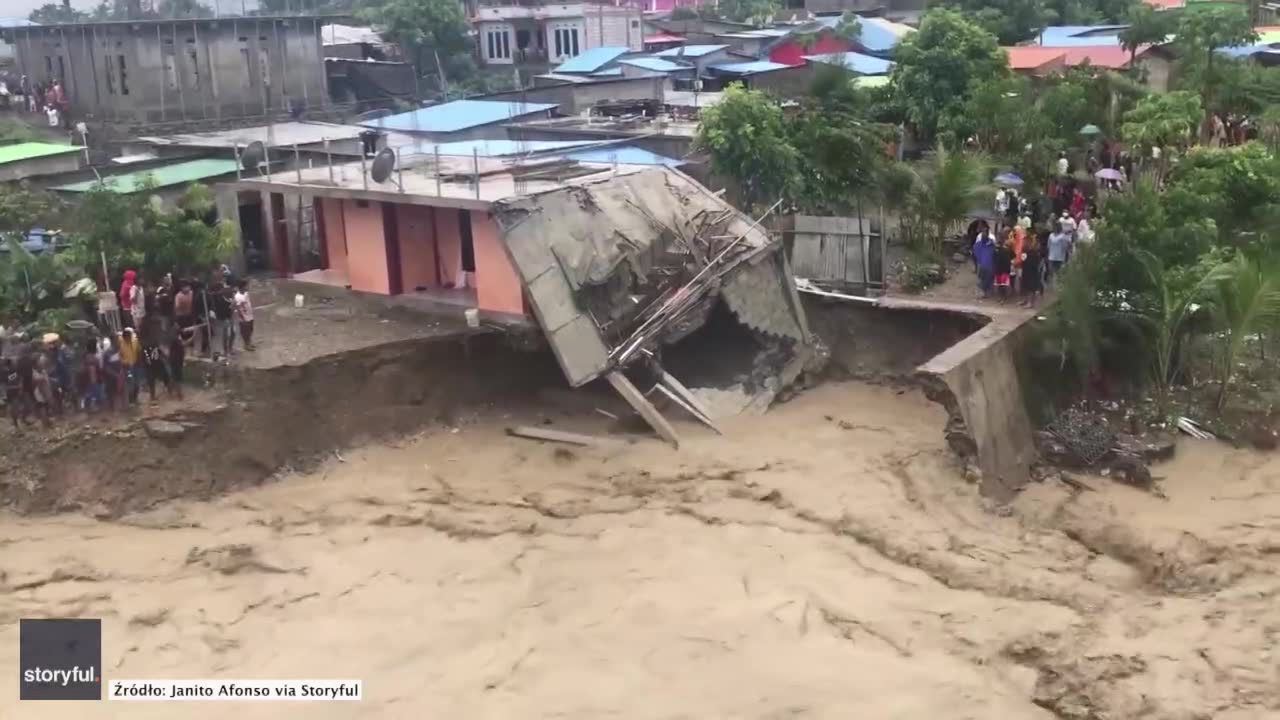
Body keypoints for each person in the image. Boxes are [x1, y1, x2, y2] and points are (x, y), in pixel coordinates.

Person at [142, 337, 170, 403]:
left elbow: (162, 354)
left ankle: (168, 392)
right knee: (152, 382)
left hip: (157, 366)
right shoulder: (146, 349)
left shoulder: (155, 347)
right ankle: (153, 397)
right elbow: (145, 358)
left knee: (165, 378)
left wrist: (166, 358)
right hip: (151, 367)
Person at [119, 327, 142, 405]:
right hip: (128, 367)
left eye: (129, 336)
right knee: (130, 383)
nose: (128, 338)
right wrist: (123, 362)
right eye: (126, 337)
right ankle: (131, 400)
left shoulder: (135, 340)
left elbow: (139, 351)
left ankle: (135, 399)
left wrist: (139, 360)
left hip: (136, 366)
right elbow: (119, 356)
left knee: (137, 383)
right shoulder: (121, 343)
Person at [1020, 236, 1044, 308]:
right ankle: (1026, 300)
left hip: (1032, 272)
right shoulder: (1024, 250)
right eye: (1023, 242)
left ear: (1029, 242)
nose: (1024, 243)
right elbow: (1023, 259)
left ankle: (1030, 302)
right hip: (1025, 270)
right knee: (1025, 286)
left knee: (1031, 287)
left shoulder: (1033, 252)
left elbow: (1036, 263)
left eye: (1025, 242)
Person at [973, 226, 997, 299]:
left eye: (985, 233)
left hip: (990, 264)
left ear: (987, 234)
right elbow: (975, 251)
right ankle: (982, 292)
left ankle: (986, 292)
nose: (984, 234)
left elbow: (995, 251)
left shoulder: (991, 243)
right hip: (982, 264)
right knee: (982, 278)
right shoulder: (979, 243)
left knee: (989, 278)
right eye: (983, 232)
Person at [80, 341, 105, 413]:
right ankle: (91, 409)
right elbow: (92, 370)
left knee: (88, 394)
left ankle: (88, 410)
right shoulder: (91, 357)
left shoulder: (87, 356)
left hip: (88, 379)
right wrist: (93, 381)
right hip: (92, 379)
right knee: (93, 395)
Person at [169, 327, 190, 401]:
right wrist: (193, 337)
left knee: (174, 377)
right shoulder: (176, 339)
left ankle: (170, 390)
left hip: (175, 361)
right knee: (178, 379)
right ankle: (179, 395)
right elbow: (184, 344)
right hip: (176, 361)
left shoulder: (176, 339)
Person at [234, 280, 255, 351]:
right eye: (246, 286)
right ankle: (246, 345)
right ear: (243, 287)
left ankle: (249, 342)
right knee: (245, 331)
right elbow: (238, 308)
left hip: (250, 315)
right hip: (244, 317)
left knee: (251, 329)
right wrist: (242, 318)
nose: (247, 287)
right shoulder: (238, 297)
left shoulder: (246, 293)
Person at [994, 238, 1014, 304]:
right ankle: (1002, 297)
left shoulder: (1006, 251)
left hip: (1003, 270)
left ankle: (1003, 298)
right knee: (1001, 285)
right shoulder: (999, 250)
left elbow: (1011, 258)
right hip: (1000, 270)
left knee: (1002, 285)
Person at [4, 357, 22, 430]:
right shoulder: (9, 371)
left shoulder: (14, 371)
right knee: (14, 407)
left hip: (12, 390)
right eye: (13, 363)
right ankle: (15, 423)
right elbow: (8, 380)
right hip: (12, 391)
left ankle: (15, 422)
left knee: (13, 407)